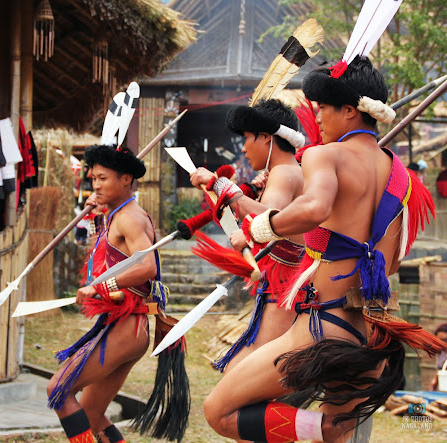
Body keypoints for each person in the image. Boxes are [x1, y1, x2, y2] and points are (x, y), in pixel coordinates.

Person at [199, 57, 443, 442]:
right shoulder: (404, 179)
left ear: (350, 110)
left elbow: (314, 208)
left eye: (324, 107)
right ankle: (329, 430)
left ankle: (324, 429)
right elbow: (391, 261)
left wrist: (266, 226)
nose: (318, 116)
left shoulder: (323, 155)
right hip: (370, 333)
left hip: (320, 331)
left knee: (219, 410)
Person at [46, 145, 189, 443]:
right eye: (93, 178)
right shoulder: (116, 215)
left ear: (126, 179)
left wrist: (101, 287)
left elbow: (147, 266)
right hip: (127, 329)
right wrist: (97, 217)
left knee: (58, 390)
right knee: (92, 414)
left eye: (103, 178)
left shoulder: (130, 218)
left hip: (128, 327)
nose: (96, 185)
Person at [190, 99, 306, 372]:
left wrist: (219, 184)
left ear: (266, 138)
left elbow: (269, 218)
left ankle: (317, 420)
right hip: (279, 288)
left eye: (246, 138)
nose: (242, 148)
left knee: (238, 378)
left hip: (285, 291)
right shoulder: (283, 172)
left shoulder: (285, 173)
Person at [430, 323, 447, 391]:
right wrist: (434, 382)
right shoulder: (442, 352)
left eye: (445, 340)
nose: (441, 344)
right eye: (438, 341)